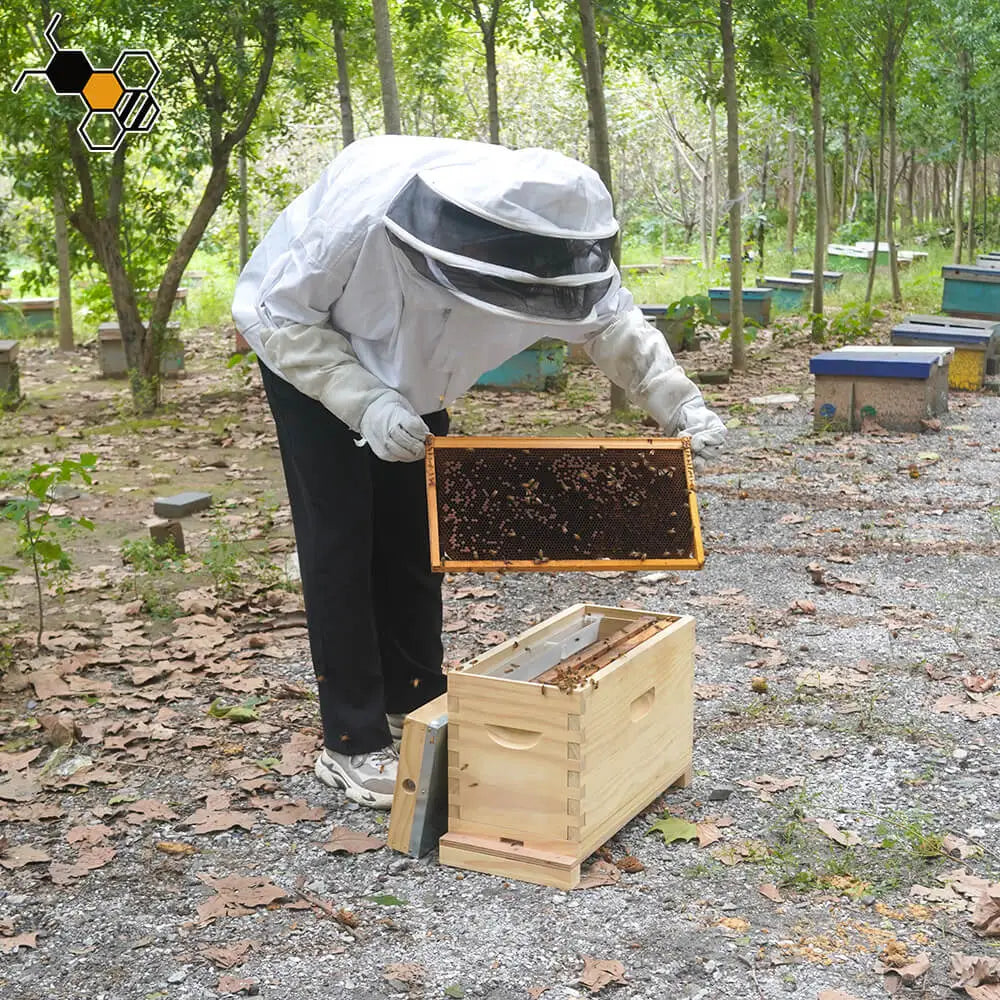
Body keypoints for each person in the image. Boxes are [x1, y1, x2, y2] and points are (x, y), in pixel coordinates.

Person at [232, 135, 726, 810]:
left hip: (422, 380)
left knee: (414, 534)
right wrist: (365, 401)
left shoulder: (559, 244)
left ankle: (414, 699)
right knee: (342, 539)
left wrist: (681, 403)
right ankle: (349, 740)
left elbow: (613, 326)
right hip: (315, 359)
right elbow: (275, 315)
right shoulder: (360, 217)